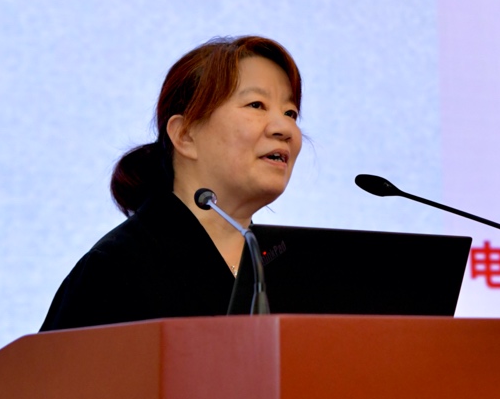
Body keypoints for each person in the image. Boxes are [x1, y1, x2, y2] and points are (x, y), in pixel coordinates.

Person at [40, 35, 303, 331]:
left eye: (290, 113)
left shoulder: (289, 269)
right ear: (185, 135)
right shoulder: (115, 268)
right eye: (256, 105)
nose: (285, 128)